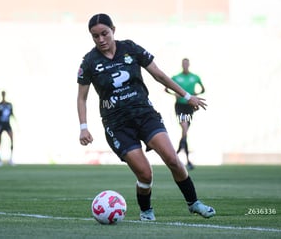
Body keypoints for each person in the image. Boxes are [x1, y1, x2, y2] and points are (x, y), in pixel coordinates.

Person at [77, 13, 215, 221]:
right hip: (117, 125)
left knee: (173, 159)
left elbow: (159, 75)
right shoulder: (89, 61)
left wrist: (187, 96)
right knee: (145, 174)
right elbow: (82, 97)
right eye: (95, 36)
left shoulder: (130, 48)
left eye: (104, 34)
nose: (101, 40)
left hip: (145, 114)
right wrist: (84, 127)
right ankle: (146, 211)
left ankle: (194, 203)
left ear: (113, 30)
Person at [167, 58, 205, 170]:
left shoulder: (195, 77)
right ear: (181, 65)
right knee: (184, 127)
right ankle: (180, 155)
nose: (185, 65)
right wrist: (175, 94)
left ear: (189, 64)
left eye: (186, 63)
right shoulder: (176, 77)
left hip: (190, 107)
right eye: (183, 63)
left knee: (185, 131)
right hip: (180, 106)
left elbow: (202, 89)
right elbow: (166, 89)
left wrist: (195, 94)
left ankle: (180, 154)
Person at [0, 90, 15, 166]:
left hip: (7, 124)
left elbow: (12, 114)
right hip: (1, 124)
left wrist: (16, 124)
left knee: (12, 140)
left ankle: (11, 158)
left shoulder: (9, 105)